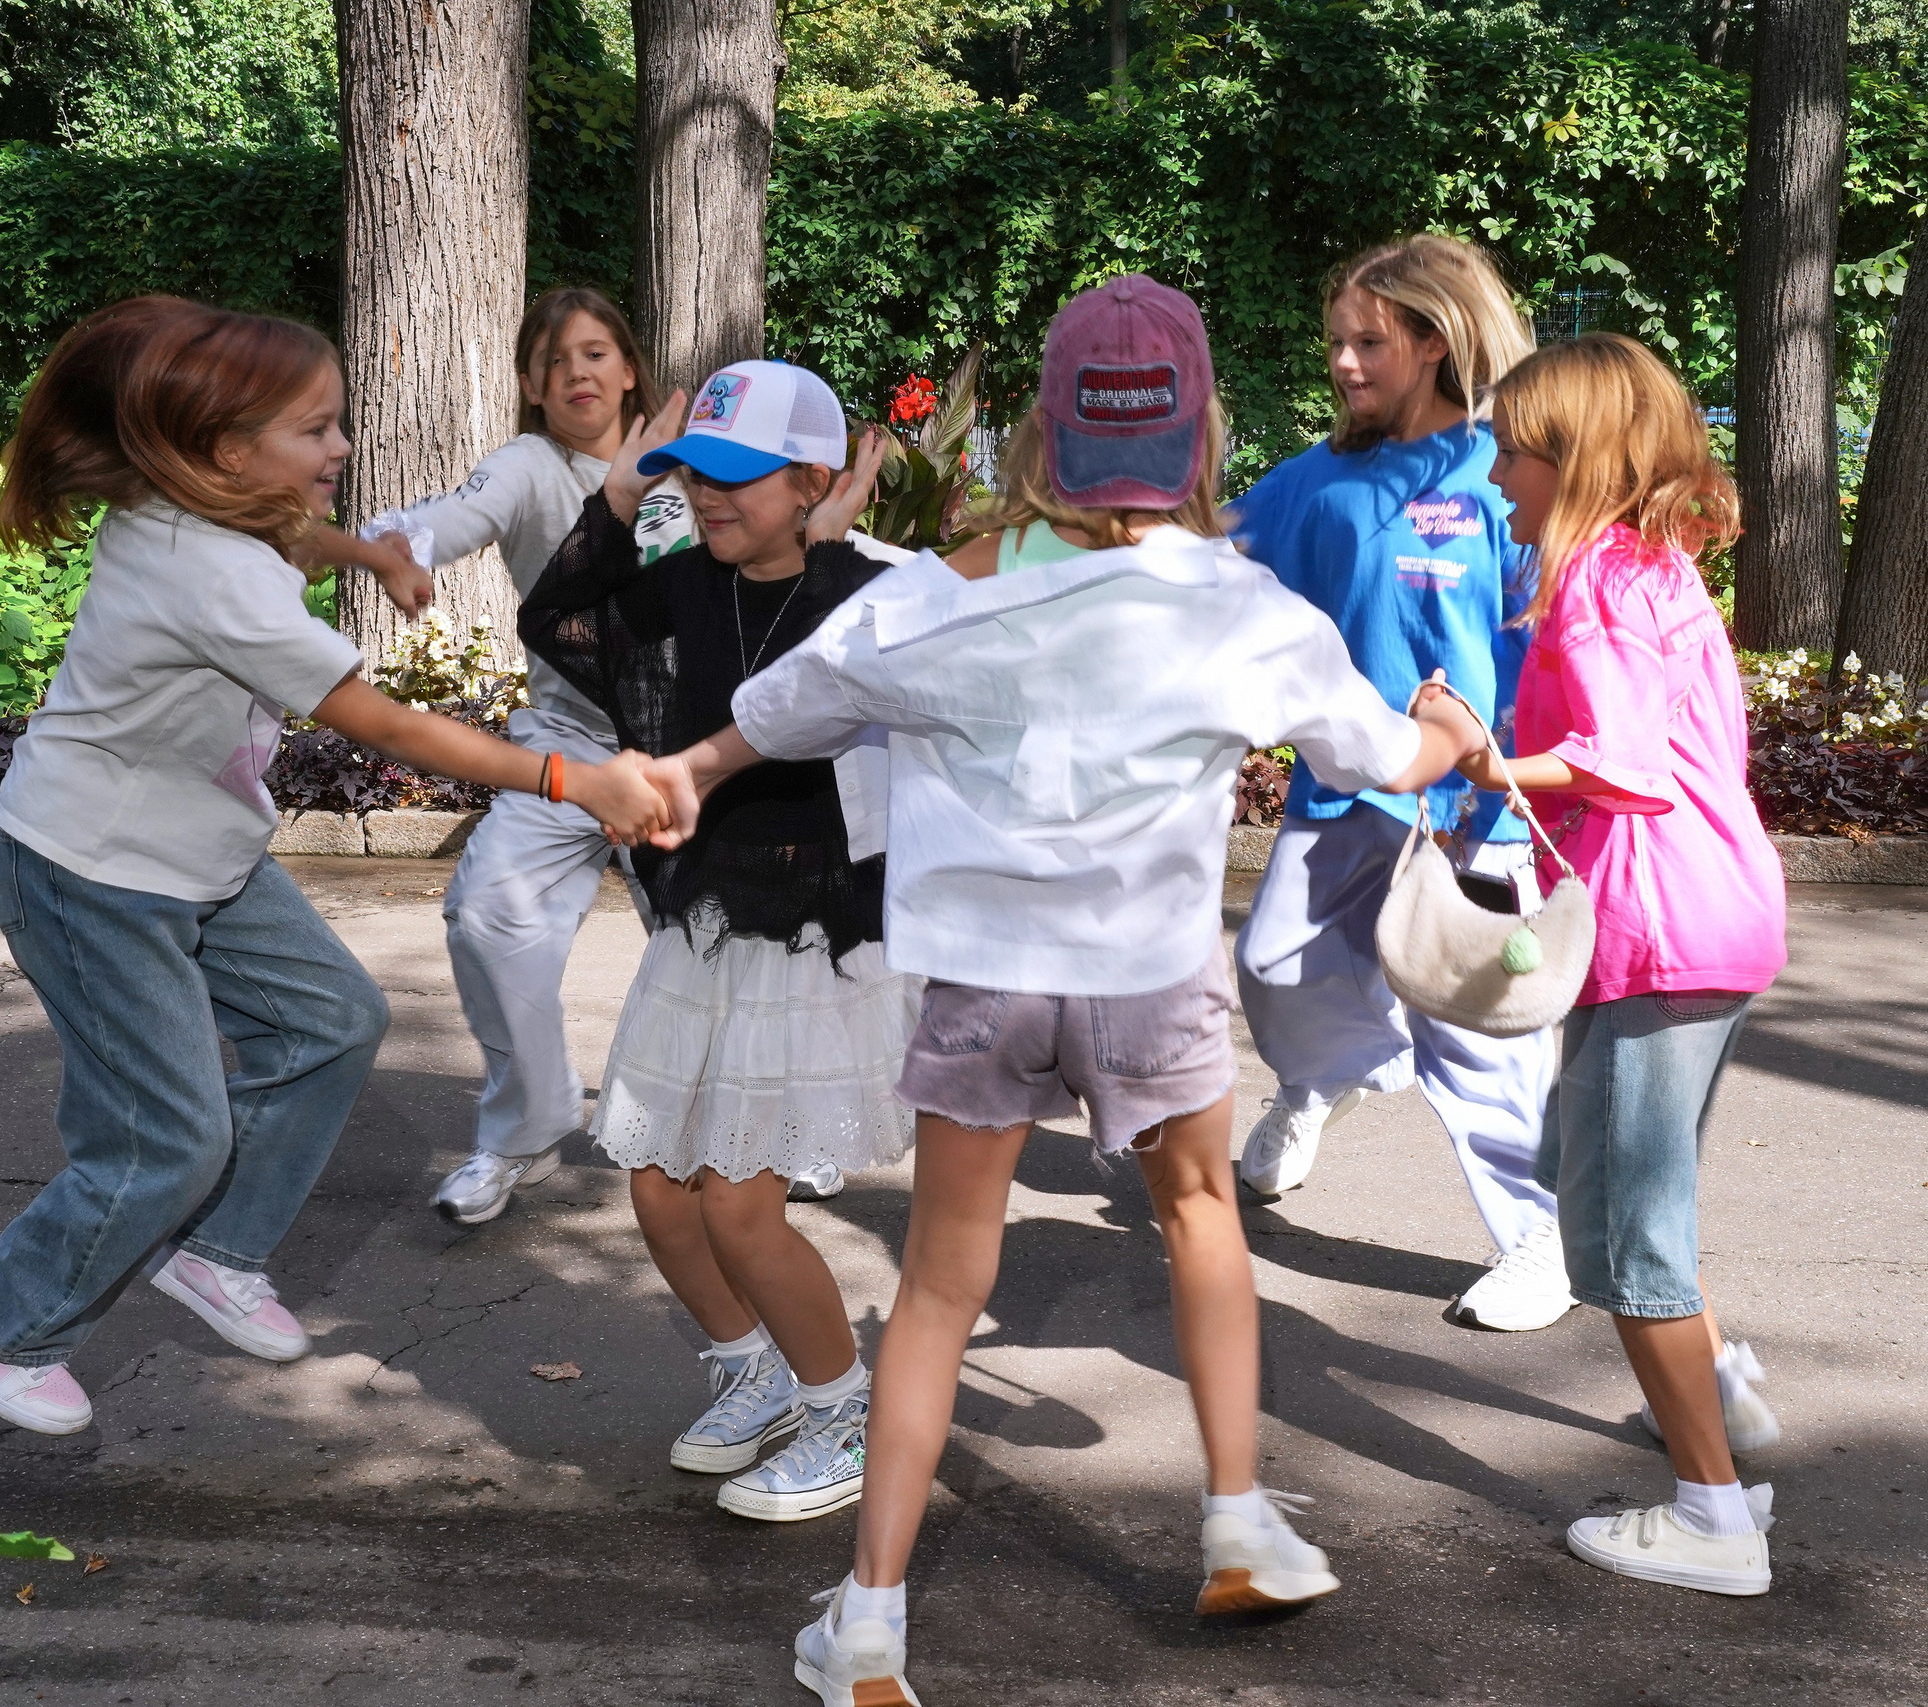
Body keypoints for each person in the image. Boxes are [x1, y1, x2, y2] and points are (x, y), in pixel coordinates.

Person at [643, 278, 1492, 1703]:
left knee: (935, 1285)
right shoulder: (1238, 605)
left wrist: (690, 772)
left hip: (981, 976)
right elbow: (1371, 756)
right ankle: (1236, 1516)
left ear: (1044, 427)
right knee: (1203, 1218)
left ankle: (867, 1614)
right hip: (1148, 975)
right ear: (1203, 426)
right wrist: (1444, 730)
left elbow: (781, 709)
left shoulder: (934, 595)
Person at [0, 296, 671, 1436]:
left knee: (332, 1021)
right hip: (92, 872)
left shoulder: (199, 508)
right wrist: (572, 782)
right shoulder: (207, 577)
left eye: (336, 424)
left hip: (196, 856)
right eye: (316, 430)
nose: (342, 448)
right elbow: (387, 724)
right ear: (229, 453)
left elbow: (296, 536)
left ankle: (216, 1253)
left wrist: (366, 549)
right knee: (168, 1135)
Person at [519, 359, 913, 1525]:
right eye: (695, 475)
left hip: (812, 938)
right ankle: (755, 1374)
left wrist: (842, 540)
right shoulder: (680, 583)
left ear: (812, 478)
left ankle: (845, 1410)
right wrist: (619, 485)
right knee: (656, 1187)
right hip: (698, 926)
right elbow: (555, 619)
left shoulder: (869, 592)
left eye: (740, 478)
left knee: (741, 1205)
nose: (710, 498)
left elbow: (968, 624)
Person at [1469, 332, 1787, 1594]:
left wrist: (1488, 762)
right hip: (1702, 919)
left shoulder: (1598, 577)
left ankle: (1715, 1518)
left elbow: (1624, 760)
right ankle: (1718, 1408)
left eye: (1511, 448)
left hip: (1656, 929)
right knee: (1608, 1195)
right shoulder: (1645, 566)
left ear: (1574, 456)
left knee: (1622, 1245)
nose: (1496, 474)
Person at [1223, 234, 1574, 1333]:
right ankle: (1325, 1076)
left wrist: (1522, 774)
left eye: (1367, 341)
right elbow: (1189, 562)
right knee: (1272, 966)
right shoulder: (1313, 485)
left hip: (1479, 812)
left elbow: (1563, 626)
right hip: (1347, 793)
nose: (1341, 361)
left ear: (1433, 341)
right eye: (1335, 339)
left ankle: (1539, 1237)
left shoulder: (1505, 472)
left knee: (1476, 1032)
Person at [292, 289, 695, 1226]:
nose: (580, 374)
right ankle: (522, 1128)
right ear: (531, 386)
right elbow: (447, 518)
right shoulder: (526, 465)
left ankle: (752, 1133)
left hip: (686, 753)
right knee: (486, 913)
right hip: (568, 746)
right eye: (557, 363)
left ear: (629, 368)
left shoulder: (689, 467)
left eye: (598, 354)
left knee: (718, 949)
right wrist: (398, 545)